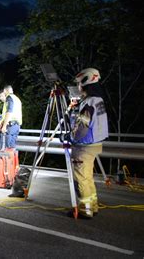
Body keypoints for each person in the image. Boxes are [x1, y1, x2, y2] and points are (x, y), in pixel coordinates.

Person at [69, 68, 108, 219]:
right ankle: (93, 206)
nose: (77, 87)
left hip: (84, 146)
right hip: (96, 144)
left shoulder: (88, 104)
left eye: (79, 84)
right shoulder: (98, 100)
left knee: (81, 179)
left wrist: (71, 136)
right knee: (88, 178)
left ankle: (86, 210)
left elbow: (82, 128)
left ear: (85, 84)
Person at [0, 85, 22, 149]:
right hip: (17, 126)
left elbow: (9, 111)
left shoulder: (9, 98)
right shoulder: (17, 99)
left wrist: (4, 126)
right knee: (12, 148)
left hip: (11, 125)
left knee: (8, 148)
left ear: (5, 91)